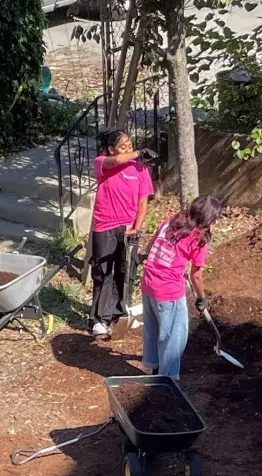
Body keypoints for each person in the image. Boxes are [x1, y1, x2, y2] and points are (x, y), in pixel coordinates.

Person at [138, 195, 223, 381]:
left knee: (153, 329)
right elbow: (196, 276)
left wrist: (173, 265)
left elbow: (151, 247)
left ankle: (154, 366)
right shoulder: (198, 239)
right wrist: (201, 299)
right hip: (168, 292)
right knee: (173, 338)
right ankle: (167, 381)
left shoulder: (171, 221)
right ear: (209, 218)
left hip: (148, 283)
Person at [88, 129, 153, 337]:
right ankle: (99, 319)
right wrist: (137, 152)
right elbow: (115, 161)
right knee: (103, 272)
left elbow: (142, 203)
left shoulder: (140, 170)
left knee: (126, 272)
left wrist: (137, 227)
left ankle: (118, 312)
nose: (129, 148)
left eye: (130, 144)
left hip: (127, 227)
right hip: (105, 226)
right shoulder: (103, 163)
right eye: (123, 146)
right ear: (111, 149)